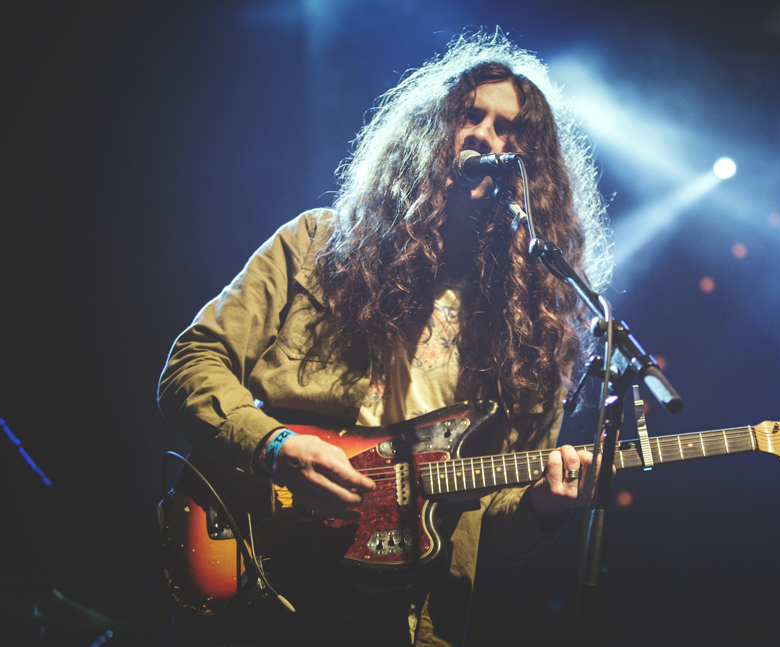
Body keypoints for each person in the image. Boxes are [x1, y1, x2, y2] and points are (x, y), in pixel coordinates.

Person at [158, 32, 612, 646]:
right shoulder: (317, 245)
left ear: (532, 170)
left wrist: (542, 506)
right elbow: (191, 365)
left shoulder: (535, 330)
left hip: (402, 615)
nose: (485, 136)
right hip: (265, 564)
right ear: (431, 129)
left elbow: (487, 532)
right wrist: (278, 447)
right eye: (469, 116)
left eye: (509, 131)